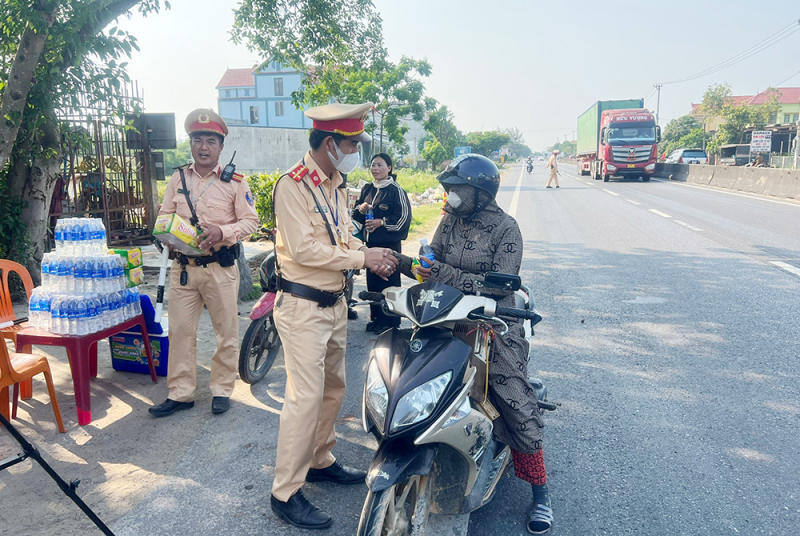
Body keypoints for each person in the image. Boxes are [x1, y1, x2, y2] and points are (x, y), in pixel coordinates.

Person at [394, 154, 554, 534]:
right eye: (448, 189)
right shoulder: (449, 221)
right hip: (446, 314)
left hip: (494, 321)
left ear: (479, 193)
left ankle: (541, 491)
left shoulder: (506, 228)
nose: (449, 196)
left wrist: (443, 272)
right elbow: (431, 262)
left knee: (513, 395)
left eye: (455, 189)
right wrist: (415, 266)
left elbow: (500, 286)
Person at [269, 102, 399, 530]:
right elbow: (305, 249)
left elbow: (344, 239)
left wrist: (370, 254)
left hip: (334, 303)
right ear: (331, 143)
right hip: (303, 307)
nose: (357, 151)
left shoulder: (337, 186)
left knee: (332, 390)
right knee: (304, 399)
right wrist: (362, 257)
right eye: (352, 144)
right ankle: (285, 491)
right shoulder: (293, 186)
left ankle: (321, 459)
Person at [149, 109, 260, 418]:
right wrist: (165, 233)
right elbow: (164, 214)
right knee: (181, 332)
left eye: (211, 141)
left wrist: (222, 231)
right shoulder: (178, 177)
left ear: (221, 146)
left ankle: (222, 389)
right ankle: (180, 393)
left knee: (226, 331)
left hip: (220, 268)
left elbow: (252, 220)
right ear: (191, 143)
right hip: (183, 269)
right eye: (198, 140)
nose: (203, 147)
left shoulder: (236, 182)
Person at [352, 153, 412, 332]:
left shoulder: (396, 190)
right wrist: (361, 209)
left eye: (379, 165)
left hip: (389, 248)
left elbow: (403, 219)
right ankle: (376, 319)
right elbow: (356, 216)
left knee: (389, 283)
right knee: (373, 284)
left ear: (389, 168)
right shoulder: (368, 189)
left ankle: (391, 323)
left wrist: (382, 222)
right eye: (372, 165)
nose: (375, 169)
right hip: (370, 248)